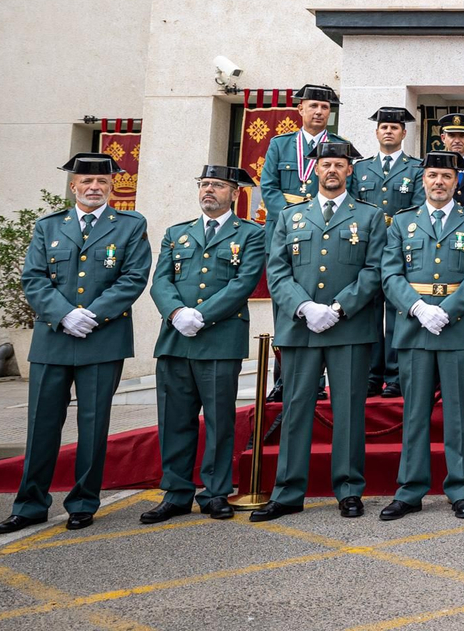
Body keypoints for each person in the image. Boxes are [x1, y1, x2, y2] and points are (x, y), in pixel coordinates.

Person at [0, 154, 152, 535]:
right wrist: (64, 314)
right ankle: (30, 504)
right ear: (74, 186)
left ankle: (83, 502)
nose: (94, 187)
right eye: (86, 181)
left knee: (93, 426)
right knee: (41, 426)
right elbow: (33, 278)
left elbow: (133, 277)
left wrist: (93, 315)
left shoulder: (130, 225)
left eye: (102, 182)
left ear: (112, 186)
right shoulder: (49, 226)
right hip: (53, 339)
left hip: (102, 339)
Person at [251, 141, 383, 522]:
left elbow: (373, 270)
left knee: (349, 411)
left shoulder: (370, 217)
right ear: (315, 170)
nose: (332, 171)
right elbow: (276, 271)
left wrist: (339, 307)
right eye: (325, 165)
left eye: (339, 165)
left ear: (350, 171)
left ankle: (349, 489)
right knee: (295, 409)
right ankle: (288, 491)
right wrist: (306, 307)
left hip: (350, 328)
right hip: (300, 328)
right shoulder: (291, 217)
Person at [141, 165, 265, 525]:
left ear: (234, 193)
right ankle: (176, 493)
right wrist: (177, 313)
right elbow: (160, 280)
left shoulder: (251, 235)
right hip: (176, 340)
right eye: (204, 184)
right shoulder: (178, 233)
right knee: (174, 421)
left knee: (219, 421)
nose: (209, 191)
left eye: (217, 185)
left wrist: (202, 316)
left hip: (220, 341)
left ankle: (215, 493)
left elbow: (243, 284)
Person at [376, 151, 464, 521]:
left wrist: (449, 309)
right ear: (422, 180)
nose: (439, 182)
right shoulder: (402, 223)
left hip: (456, 328)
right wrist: (418, 308)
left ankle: (460, 488)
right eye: (432, 176)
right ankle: (410, 489)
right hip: (414, 328)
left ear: (457, 180)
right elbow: (390, 274)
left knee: (459, 413)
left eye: (446, 175)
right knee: (414, 414)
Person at [354, 107, 425, 398]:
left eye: (395, 128)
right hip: (368, 252)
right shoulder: (359, 168)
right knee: (369, 314)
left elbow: (418, 210)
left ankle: (396, 375)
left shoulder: (417, 168)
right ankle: (372, 374)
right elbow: (353, 209)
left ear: (404, 133)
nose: (388, 131)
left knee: (399, 313)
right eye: (384, 127)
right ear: (376, 132)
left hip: (400, 251)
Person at [257, 84, 349, 241]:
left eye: (325, 107)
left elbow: (347, 187)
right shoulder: (280, 144)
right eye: (313, 106)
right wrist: (289, 218)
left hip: (323, 227)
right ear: (300, 109)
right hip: (282, 227)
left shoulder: (341, 146)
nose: (319, 111)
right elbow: (268, 186)